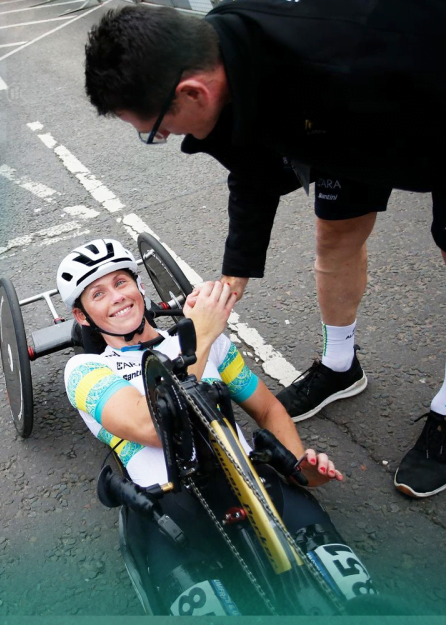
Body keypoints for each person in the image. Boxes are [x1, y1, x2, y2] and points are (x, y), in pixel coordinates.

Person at [82, 1, 446, 498]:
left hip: (424, 102)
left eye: (155, 129)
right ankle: (341, 366)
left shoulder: (352, 59)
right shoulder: (223, 63)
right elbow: (251, 168)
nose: (162, 136)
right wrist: (234, 278)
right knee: (336, 233)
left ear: (192, 92)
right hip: (340, 126)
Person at [58, 239, 372, 614]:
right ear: (82, 316)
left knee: (358, 602)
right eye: (98, 294)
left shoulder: (207, 341)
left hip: (253, 480)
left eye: (121, 282)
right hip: (172, 509)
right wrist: (202, 334)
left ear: (139, 286)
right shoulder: (86, 370)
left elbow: (268, 409)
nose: (117, 297)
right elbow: (152, 426)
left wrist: (299, 466)